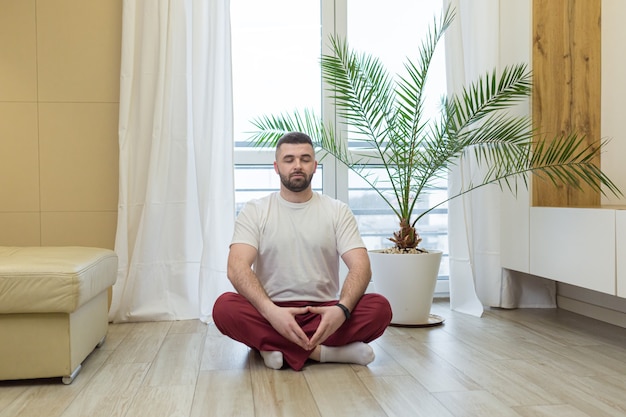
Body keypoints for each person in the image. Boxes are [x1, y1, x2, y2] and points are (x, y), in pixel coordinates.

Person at [212, 132, 392, 371]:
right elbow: (236, 268)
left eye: (305, 159)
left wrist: (341, 309)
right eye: (289, 159)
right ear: (276, 167)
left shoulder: (337, 210)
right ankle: (323, 353)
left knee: (380, 308)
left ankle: (274, 348)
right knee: (224, 308)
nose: (297, 165)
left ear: (315, 166)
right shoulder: (255, 210)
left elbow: (361, 267)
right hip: (271, 312)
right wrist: (272, 313)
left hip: (325, 314)